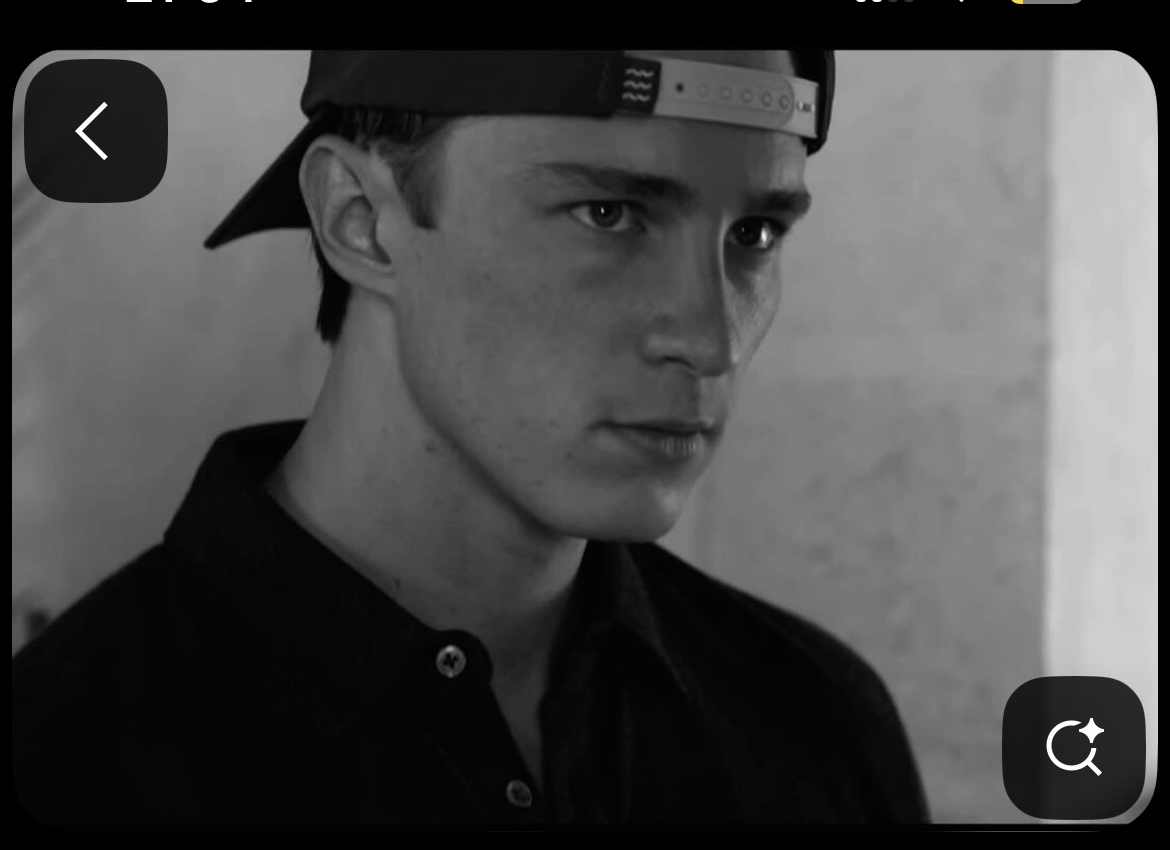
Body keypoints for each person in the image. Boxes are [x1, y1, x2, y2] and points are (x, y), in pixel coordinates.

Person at [12, 50, 931, 826]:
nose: (710, 339)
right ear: (361, 220)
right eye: (609, 214)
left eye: (755, 233)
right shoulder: (63, 763)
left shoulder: (818, 726)